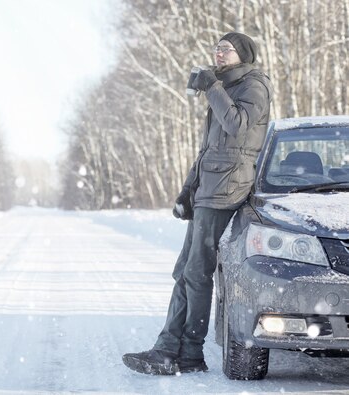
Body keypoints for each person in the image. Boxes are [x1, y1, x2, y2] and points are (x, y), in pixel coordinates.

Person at [123, 32, 273, 375]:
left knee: (196, 272)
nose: (219, 54)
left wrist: (212, 88)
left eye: (227, 49)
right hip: (209, 189)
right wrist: (187, 189)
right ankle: (170, 348)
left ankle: (188, 352)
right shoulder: (227, 89)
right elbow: (209, 151)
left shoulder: (254, 86)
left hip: (226, 189)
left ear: (244, 54)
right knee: (185, 272)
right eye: (217, 48)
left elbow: (237, 127)